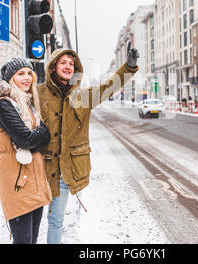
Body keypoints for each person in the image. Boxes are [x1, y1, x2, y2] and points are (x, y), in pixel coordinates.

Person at [36, 46, 139, 244]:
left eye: (71, 64)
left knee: (55, 220)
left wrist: (129, 68)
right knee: (32, 220)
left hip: (65, 171)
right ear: (53, 66)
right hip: (41, 168)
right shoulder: (39, 92)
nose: (67, 66)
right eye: (63, 62)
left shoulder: (82, 96)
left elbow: (108, 87)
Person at [0, 57, 52, 244]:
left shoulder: (28, 104)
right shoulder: (4, 104)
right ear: (10, 78)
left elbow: (37, 139)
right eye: (20, 73)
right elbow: (27, 139)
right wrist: (41, 134)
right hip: (18, 181)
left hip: (35, 181)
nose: (27, 78)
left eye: (29, 73)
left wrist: (38, 137)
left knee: (31, 240)